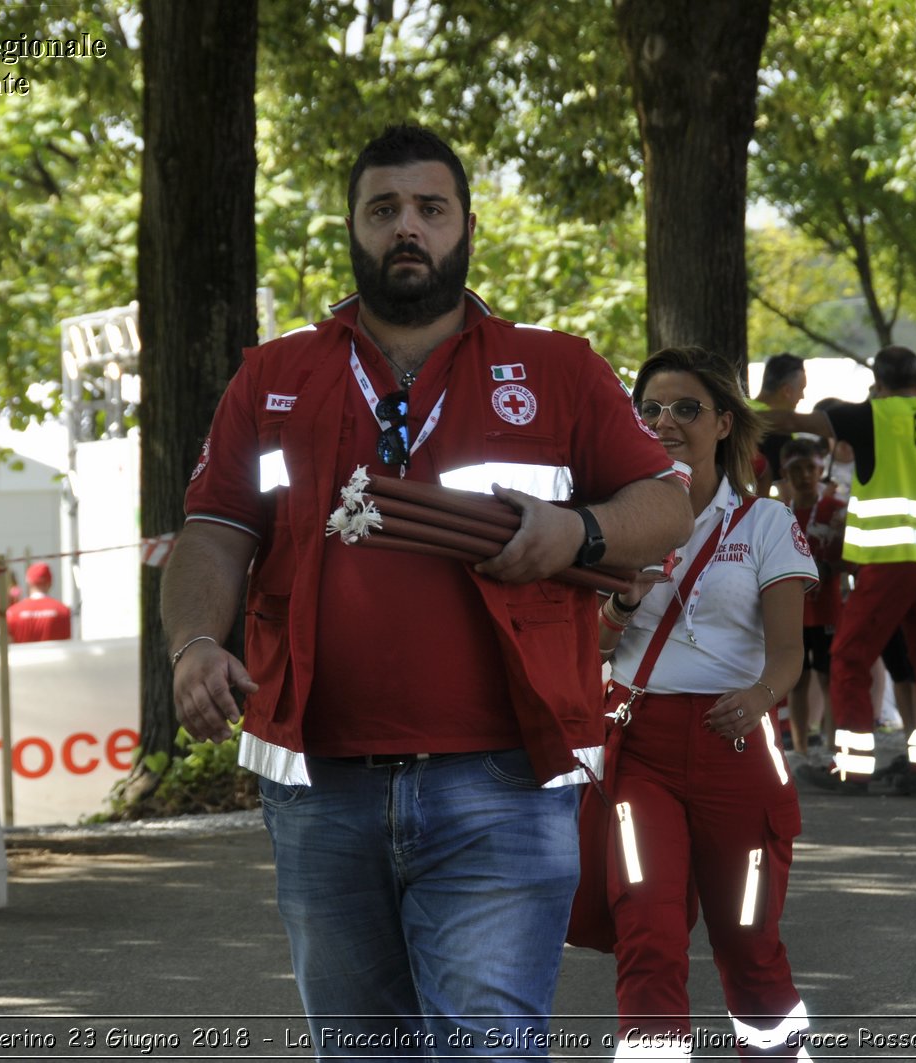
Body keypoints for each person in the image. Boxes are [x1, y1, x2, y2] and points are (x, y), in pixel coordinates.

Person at [162, 124, 693, 1056]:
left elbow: (666, 503)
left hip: (504, 780)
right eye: (384, 210)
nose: (408, 228)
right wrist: (194, 643)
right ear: (353, 231)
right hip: (319, 784)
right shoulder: (275, 374)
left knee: (487, 1047)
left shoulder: (559, 369)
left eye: (430, 209)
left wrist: (579, 531)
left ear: (467, 228)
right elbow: (215, 530)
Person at [597, 345, 815, 1057]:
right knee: (647, 929)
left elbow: (789, 653)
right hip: (640, 748)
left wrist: (757, 696)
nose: (664, 420)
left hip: (737, 748)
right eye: (650, 407)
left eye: (685, 408)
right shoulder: (609, 519)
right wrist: (615, 608)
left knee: (749, 937)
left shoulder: (766, 524)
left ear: (723, 421)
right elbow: (582, 647)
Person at [769, 346, 916, 797]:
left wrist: (728, 410)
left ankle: (852, 768)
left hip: (890, 560)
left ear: (878, 382)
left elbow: (793, 424)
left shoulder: (874, 416)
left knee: (850, 657)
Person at [781, 437, 842, 765]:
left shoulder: (836, 510)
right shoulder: (777, 513)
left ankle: (831, 747)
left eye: (811, 468)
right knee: (796, 678)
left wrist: (832, 565)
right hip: (791, 611)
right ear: (785, 473)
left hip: (829, 608)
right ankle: (801, 749)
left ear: (821, 470)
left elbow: (853, 558)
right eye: (797, 469)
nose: (805, 475)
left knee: (830, 677)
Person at [748, 353, 806, 497]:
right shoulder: (780, 430)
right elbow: (787, 492)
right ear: (786, 391)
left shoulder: (741, 408)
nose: (802, 396)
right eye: (802, 389)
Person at [5, 562, 71, 643]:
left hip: (23, 655)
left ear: (28, 583)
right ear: (50, 583)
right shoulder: (63, 611)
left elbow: (5, 644)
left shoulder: (12, 613)